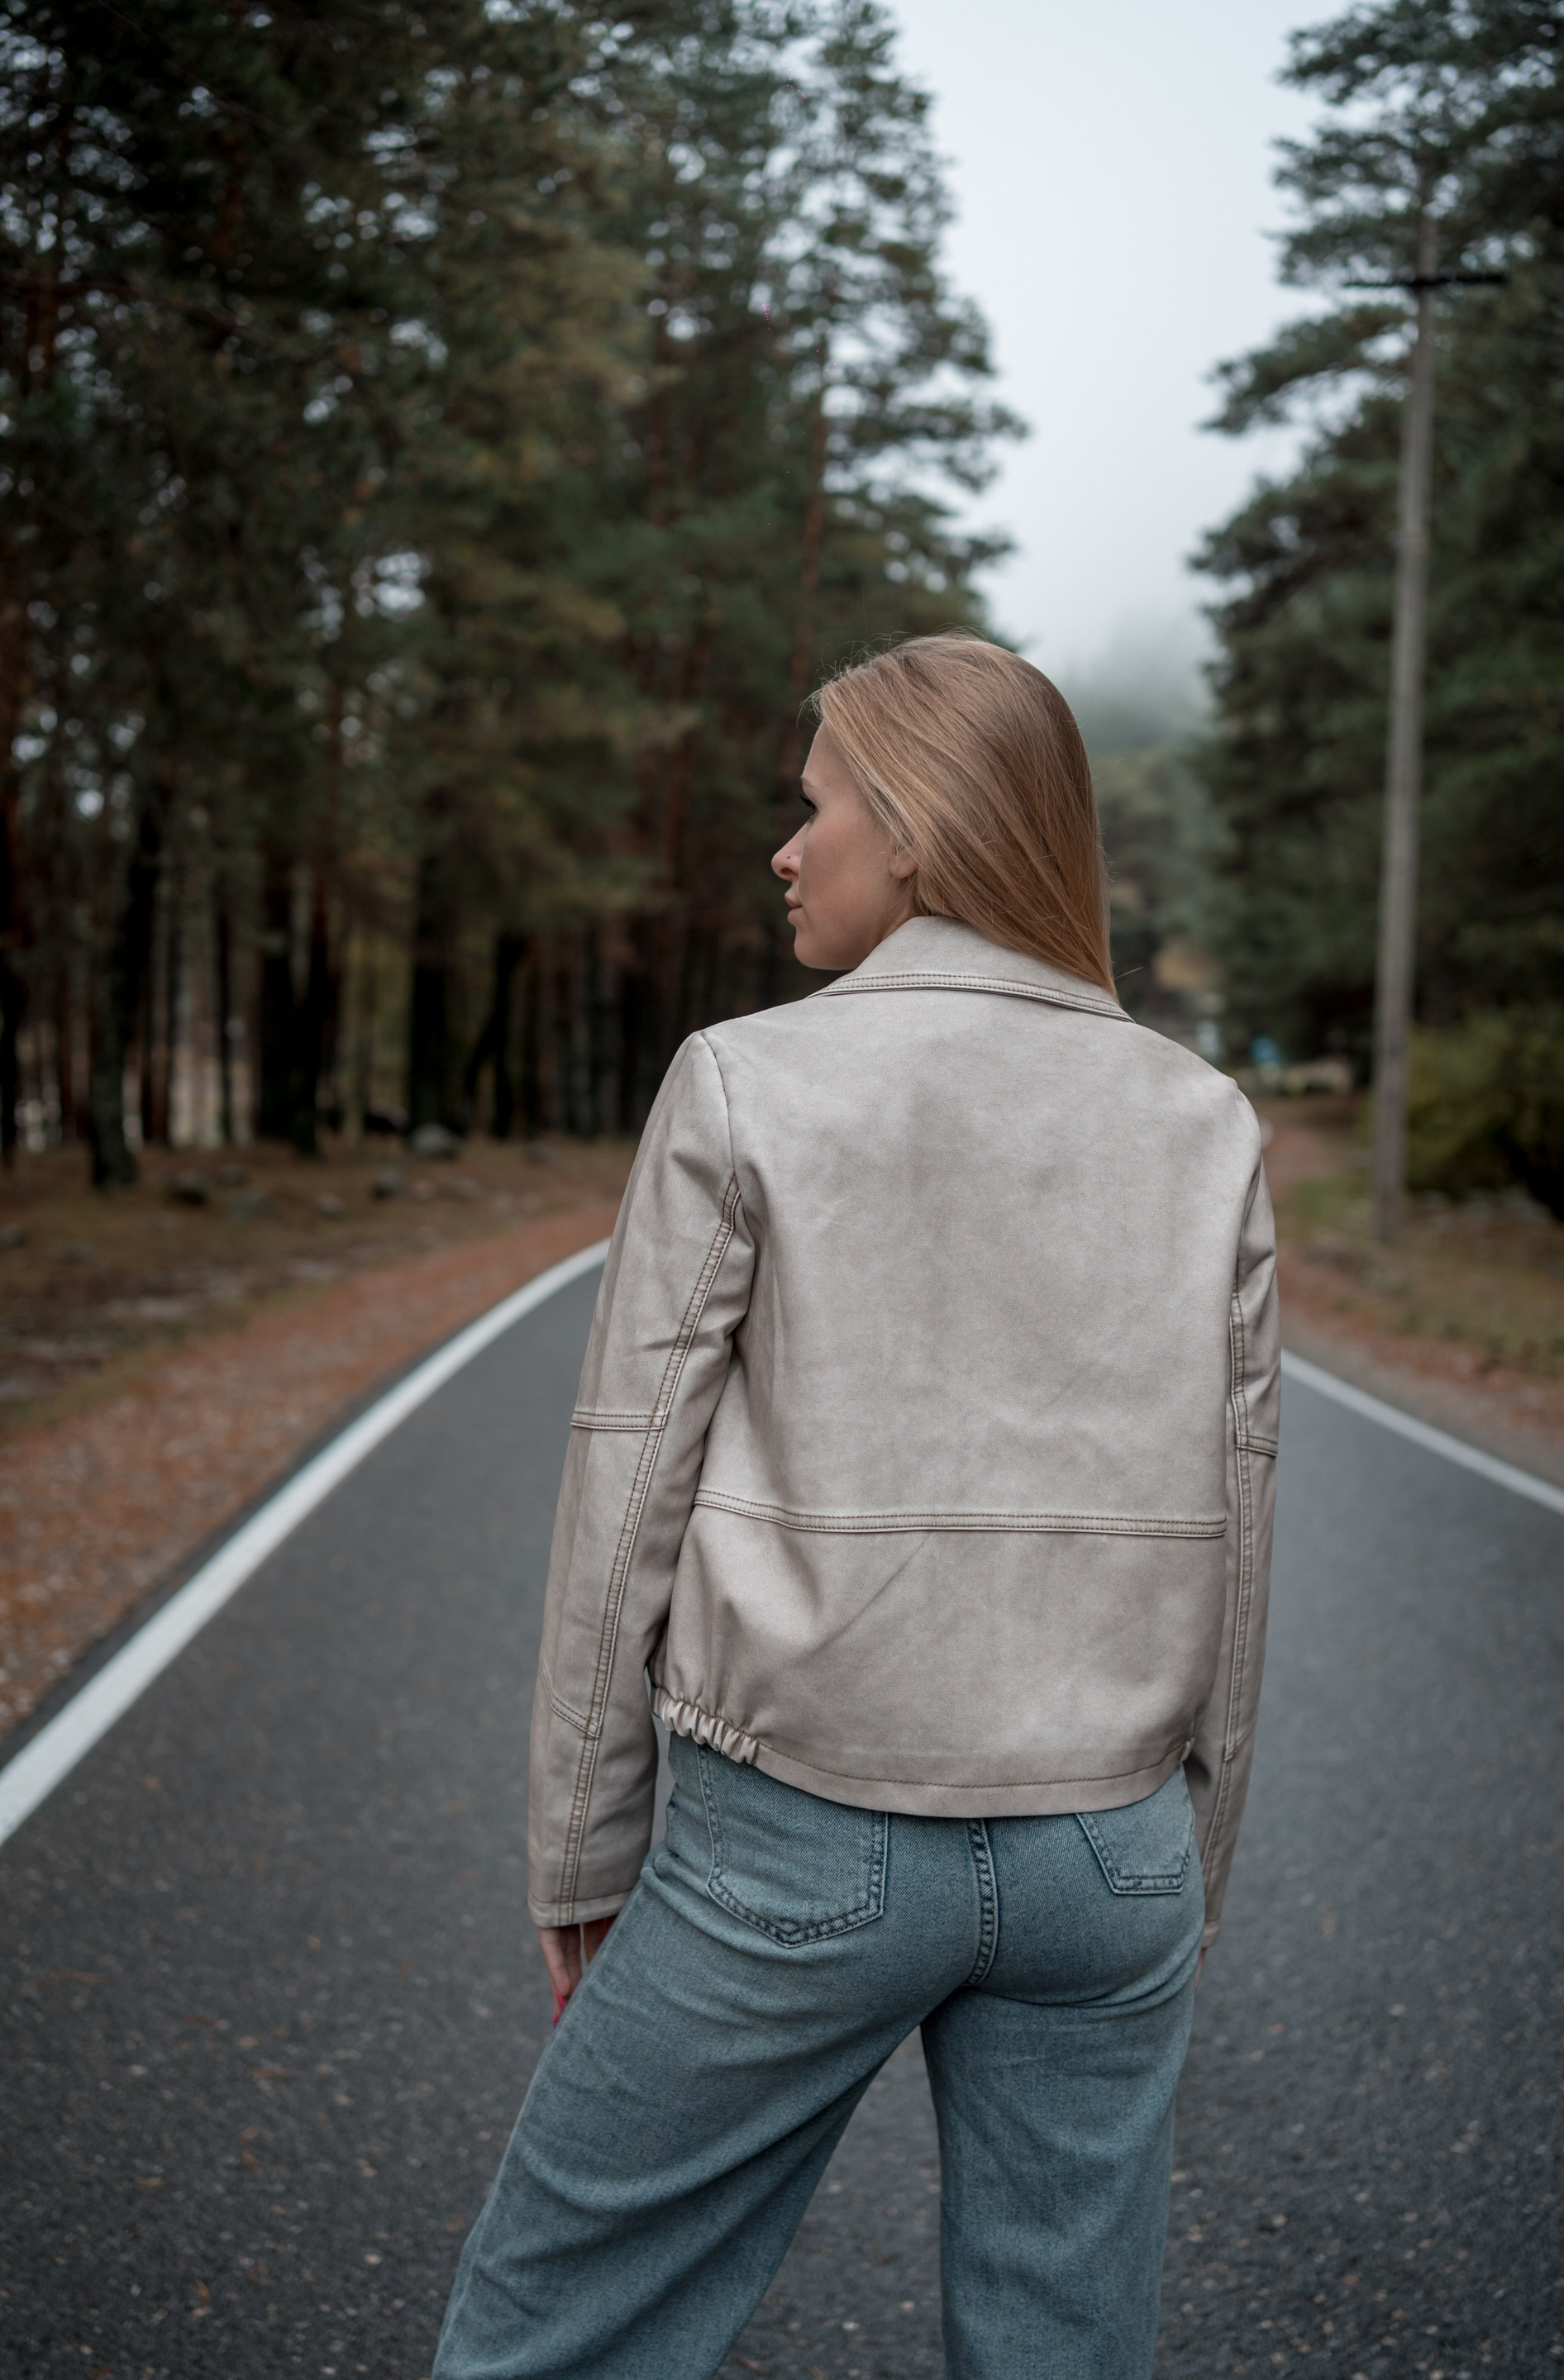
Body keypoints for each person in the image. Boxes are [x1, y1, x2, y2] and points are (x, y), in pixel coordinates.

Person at [432, 631, 1279, 2380]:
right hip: (1108, 1853)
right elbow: (1243, 1513)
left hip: (807, 1839)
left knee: (551, 2329)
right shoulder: (1204, 1118)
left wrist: (582, 1851)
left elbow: (628, 1486)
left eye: (814, 805)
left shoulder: (747, 1079)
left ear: (914, 826)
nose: (786, 847)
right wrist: (1185, 1870)